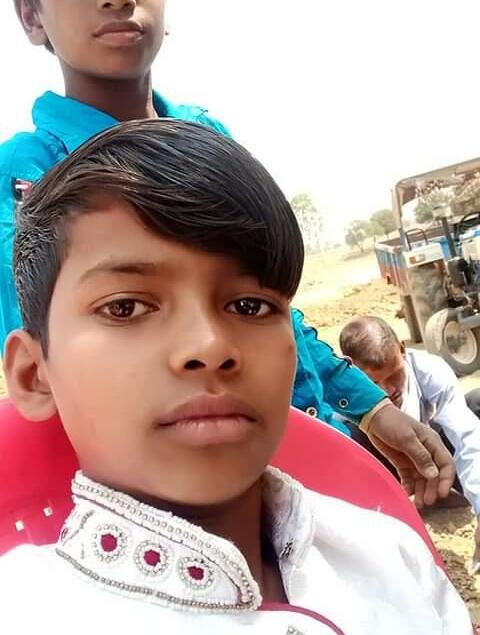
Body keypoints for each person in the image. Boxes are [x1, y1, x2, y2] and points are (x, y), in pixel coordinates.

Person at [0, 119, 472, 634]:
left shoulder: (393, 557)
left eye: (249, 305)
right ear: (34, 374)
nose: (209, 346)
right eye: (125, 307)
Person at [0, 0, 456, 502]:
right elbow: (57, 362)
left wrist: (370, 407)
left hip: (307, 468)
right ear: (31, 16)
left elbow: (267, 296)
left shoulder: (207, 136)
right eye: (125, 307)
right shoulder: (26, 175)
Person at [339, 315, 480, 570]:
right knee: (346, 436)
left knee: (476, 402)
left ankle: (440, 492)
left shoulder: (431, 370)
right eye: (373, 383)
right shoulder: (339, 393)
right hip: (388, 467)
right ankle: (396, 503)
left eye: (395, 375)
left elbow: (466, 437)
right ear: (350, 369)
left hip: (436, 460)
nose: (387, 390)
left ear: (402, 349)